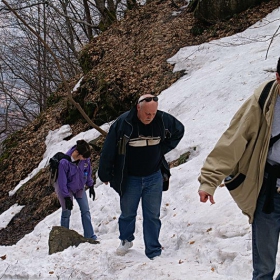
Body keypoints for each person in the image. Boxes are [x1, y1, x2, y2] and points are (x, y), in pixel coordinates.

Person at [198, 58, 280, 280]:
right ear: (278, 78)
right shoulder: (264, 99)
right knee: (264, 268)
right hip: (269, 192)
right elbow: (233, 140)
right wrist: (210, 179)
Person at [98, 94, 184, 259]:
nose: (150, 117)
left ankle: (153, 250)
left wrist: (162, 149)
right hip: (130, 178)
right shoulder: (124, 123)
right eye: (147, 114)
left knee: (152, 215)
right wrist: (105, 173)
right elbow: (109, 149)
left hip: (154, 176)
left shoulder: (162, 120)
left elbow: (179, 130)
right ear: (138, 107)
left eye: (153, 113)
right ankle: (126, 239)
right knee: (128, 213)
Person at [54, 139, 98, 241]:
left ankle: (90, 236)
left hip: (79, 187)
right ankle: (64, 238)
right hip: (66, 189)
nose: (85, 159)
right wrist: (66, 197)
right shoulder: (64, 162)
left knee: (85, 210)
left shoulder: (85, 159)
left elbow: (87, 172)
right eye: (84, 157)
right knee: (66, 212)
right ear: (77, 153)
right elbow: (62, 182)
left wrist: (90, 185)